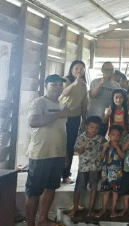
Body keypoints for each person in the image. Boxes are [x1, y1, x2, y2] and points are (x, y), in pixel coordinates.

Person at [25, 74, 71, 226]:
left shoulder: (62, 104)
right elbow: (33, 121)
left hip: (57, 153)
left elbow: (62, 130)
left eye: (60, 85)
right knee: (34, 191)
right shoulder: (39, 102)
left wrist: (64, 154)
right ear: (46, 85)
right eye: (54, 85)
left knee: (51, 187)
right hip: (40, 154)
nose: (58, 88)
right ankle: (30, 223)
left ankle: (42, 219)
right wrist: (58, 115)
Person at [68, 116, 105, 218]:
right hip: (83, 168)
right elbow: (77, 151)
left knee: (94, 188)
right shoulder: (81, 138)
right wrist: (82, 148)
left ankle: (90, 209)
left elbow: (105, 149)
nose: (94, 130)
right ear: (86, 127)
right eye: (92, 127)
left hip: (96, 168)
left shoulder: (101, 139)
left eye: (96, 128)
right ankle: (75, 209)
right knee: (78, 189)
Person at [59, 60, 88, 184]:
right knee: (59, 145)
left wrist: (84, 120)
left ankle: (66, 175)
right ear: (71, 69)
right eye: (76, 68)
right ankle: (55, 174)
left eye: (82, 69)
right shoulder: (66, 80)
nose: (79, 71)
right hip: (61, 117)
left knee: (70, 146)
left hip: (75, 119)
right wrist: (74, 84)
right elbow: (64, 93)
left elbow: (84, 105)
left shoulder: (84, 85)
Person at [97, 125, 124, 218]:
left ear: (120, 137)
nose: (115, 137)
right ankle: (104, 209)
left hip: (116, 174)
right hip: (106, 173)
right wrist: (104, 150)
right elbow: (101, 158)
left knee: (115, 192)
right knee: (106, 192)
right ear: (109, 135)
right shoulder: (105, 145)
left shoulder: (121, 146)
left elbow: (123, 157)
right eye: (113, 135)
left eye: (118, 135)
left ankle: (113, 209)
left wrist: (117, 148)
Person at [88, 62, 120, 137]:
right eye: (106, 69)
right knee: (92, 140)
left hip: (109, 119)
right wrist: (101, 83)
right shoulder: (95, 82)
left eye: (111, 70)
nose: (109, 71)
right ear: (102, 70)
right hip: (95, 117)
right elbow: (92, 95)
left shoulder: (116, 85)